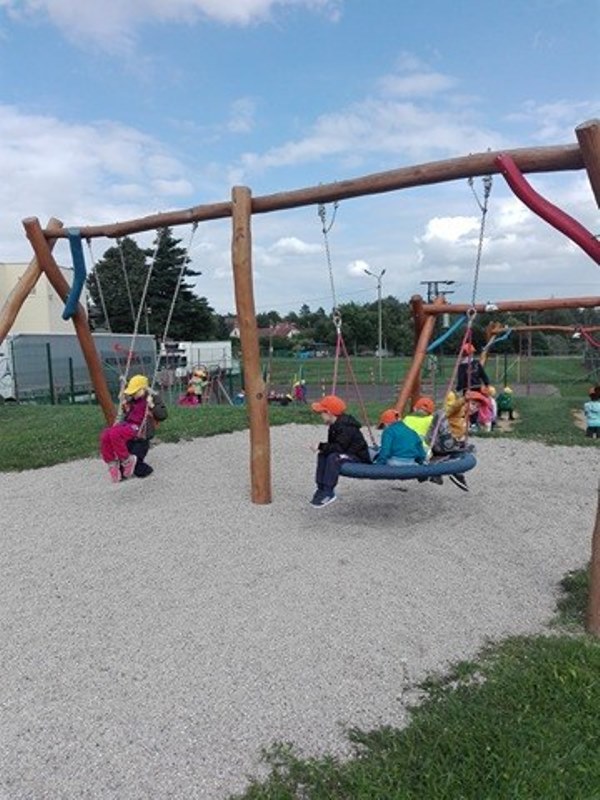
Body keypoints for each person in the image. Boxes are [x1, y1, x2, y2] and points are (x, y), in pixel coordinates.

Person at [309, 394, 371, 507]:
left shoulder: (346, 427)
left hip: (357, 456)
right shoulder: (334, 425)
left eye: (321, 413)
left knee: (334, 458)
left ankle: (328, 491)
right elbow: (334, 446)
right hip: (346, 452)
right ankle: (321, 488)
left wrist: (320, 445)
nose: (320, 416)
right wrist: (323, 448)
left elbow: (339, 448)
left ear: (329, 413)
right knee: (323, 454)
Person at [100, 374, 150, 483]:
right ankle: (112, 463)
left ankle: (127, 460)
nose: (133, 394)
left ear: (143, 390)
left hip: (136, 427)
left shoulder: (147, 401)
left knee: (114, 433)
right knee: (105, 434)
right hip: (126, 424)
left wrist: (152, 403)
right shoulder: (132, 400)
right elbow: (123, 397)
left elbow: (160, 412)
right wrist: (123, 388)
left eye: (135, 392)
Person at [426, 392, 472, 492]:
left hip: (454, 440)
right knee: (457, 454)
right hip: (447, 441)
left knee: (470, 450)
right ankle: (453, 472)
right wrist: (463, 400)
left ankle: (449, 472)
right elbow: (452, 408)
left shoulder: (459, 411)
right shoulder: (451, 410)